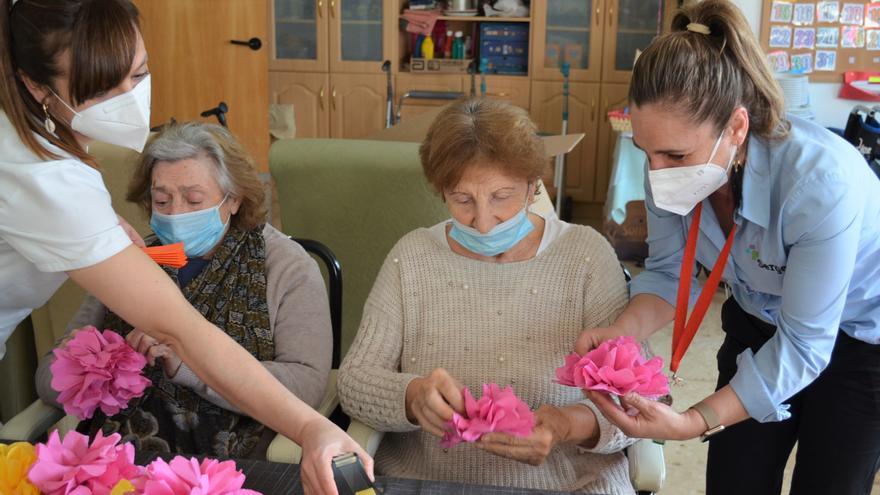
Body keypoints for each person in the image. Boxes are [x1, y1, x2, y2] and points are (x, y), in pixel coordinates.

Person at [0, 1, 369, 491]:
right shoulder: (48, 181)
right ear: (35, 86)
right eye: (100, 87)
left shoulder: (281, 263)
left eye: (139, 73)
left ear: (234, 198)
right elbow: (175, 328)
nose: (128, 98)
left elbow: (302, 379)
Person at [574, 1, 880, 494]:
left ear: (736, 129)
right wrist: (621, 333)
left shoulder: (819, 183)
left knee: (831, 481)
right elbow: (671, 273)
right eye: (645, 152)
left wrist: (695, 421)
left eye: (675, 154)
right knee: (736, 479)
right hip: (759, 315)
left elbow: (805, 346)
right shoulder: (671, 174)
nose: (657, 174)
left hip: (859, 341)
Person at [338, 99, 639, 495]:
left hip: (570, 483)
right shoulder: (411, 257)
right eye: (462, 199)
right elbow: (354, 383)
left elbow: (640, 401)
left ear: (534, 187)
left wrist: (567, 426)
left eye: (501, 196)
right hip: (428, 482)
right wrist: (411, 397)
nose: (482, 221)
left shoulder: (585, 255)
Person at [35, 122, 333, 459]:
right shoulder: (129, 261)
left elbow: (306, 387)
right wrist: (101, 364)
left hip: (229, 466)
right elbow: (48, 378)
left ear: (233, 199)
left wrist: (186, 363)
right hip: (115, 460)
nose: (176, 214)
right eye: (162, 201)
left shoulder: (285, 267)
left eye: (193, 200)